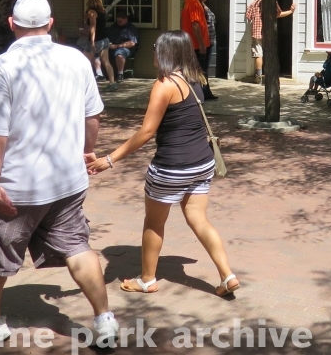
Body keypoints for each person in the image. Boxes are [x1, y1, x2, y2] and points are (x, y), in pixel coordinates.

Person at [0, 0, 118, 346]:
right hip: (68, 180)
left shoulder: (0, 67)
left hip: (18, 185)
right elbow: (93, 115)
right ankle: (105, 321)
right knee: (77, 246)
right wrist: (87, 152)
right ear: (50, 23)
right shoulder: (76, 59)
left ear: (11, 24)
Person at [86, 31, 240, 297]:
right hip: (202, 163)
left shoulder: (164, 85)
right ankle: (227, 275)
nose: (152, 51)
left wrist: (109, 159)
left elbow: (146, 132)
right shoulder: (195, 79)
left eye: (156, 47)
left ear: (167, 53)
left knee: (154, 224)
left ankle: (147, 279)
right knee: (199, 220)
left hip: (171, 167)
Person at [244, 0, 296, 85]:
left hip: (256, 31)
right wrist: (291, 11)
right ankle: (271, 74)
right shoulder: (272, 2)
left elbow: (248, 16)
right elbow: (278, 14)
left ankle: (258, 76)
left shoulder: (254, 2)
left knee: (258, 53)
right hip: (269, 31)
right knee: (269, 51)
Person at [181, 0, 216, 99]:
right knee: (199, 70)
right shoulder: (194, 3)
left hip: (191, 42)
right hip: (196, 44)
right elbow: (195, 24)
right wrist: (201, 43)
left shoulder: (188, 0)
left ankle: (205, 93)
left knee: (199, 70)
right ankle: (200, 95)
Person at [78, 0, 113, 83]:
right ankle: (112, 83)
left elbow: (93, 27)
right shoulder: (102, 11)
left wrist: (92, 41)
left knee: (83, 61)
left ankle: (81, 81)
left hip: (96, 40)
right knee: (106, 62)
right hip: (105, 39)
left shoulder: (92, 12)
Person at [101, 8, 138, 90]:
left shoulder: (130, 28)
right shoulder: (114, 26)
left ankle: (120, 74)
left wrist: (116, 46)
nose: (118, 23)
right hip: (111, 46)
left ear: (126, 19)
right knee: (99, 52)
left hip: (124, 48)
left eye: (120, 21)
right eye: (117, 21)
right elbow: (106, 36)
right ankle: (99, 74)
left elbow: (132, 43)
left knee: (119, 54)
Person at [199, 0, 218, 97]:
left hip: (210, 41)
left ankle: (206, 91)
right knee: (202, 68)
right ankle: (203, 92)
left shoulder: (205, 6)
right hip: (204, 42)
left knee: (205, 68)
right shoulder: (199, 6)